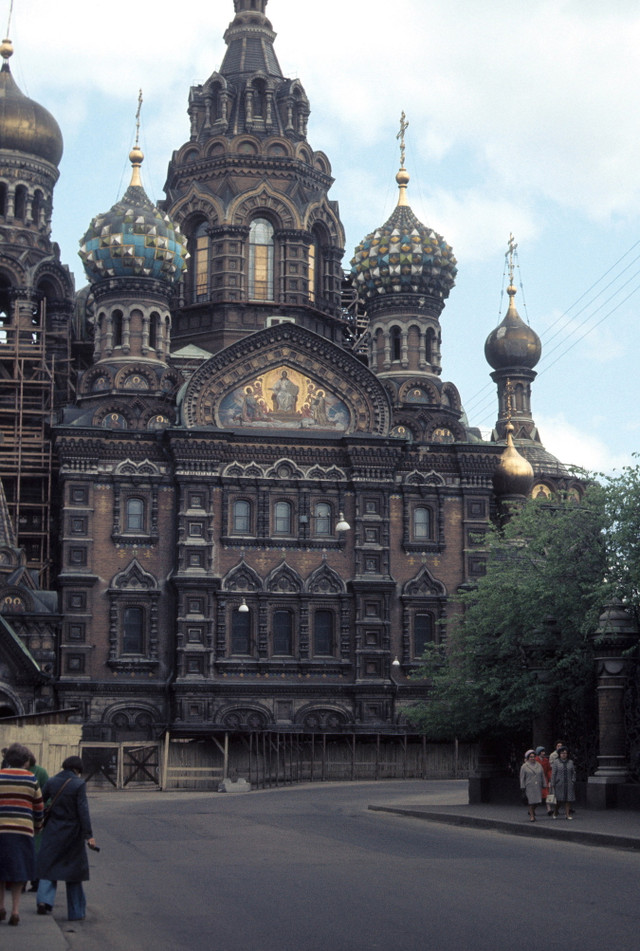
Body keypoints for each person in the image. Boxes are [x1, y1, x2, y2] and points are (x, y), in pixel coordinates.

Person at [36, 755, 98, 921]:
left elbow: (40, 802)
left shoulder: (52, 781)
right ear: (77, 769)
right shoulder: (79, 784)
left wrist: (39, 821)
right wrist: (89, 835)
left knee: (48, 866)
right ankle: (76, 911)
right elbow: (83, 811)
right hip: (72, 832)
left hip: (53, 829)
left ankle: (43, 901)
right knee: (73, 872)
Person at [0, 742, 44, 926]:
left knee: (1, 869)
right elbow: (39, 807)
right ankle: (15, 911)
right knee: (20, 871)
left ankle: (1, 906)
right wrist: (38, 826)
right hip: (23, 831)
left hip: (1, 830)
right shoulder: (31, 779)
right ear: (25, 761)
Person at [27, 752, 49, 891]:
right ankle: (19, 882)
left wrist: (44, 810)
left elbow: (47, 793)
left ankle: (36, 881)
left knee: (36, 851)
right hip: (22, 817)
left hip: (36, 815)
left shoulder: (40, 772)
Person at [519, 748, 547, 822]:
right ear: (528, 758)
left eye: (533, 757)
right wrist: (522, 787)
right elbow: (522, 778)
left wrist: (544, 784)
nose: (532, 758)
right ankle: (532, 816)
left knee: (538, 801)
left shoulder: (539, 765)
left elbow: (542, 775)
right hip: (529, 786)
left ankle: (531, 811)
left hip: (538, 786)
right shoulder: (524, 766)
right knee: (531, 802)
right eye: (531, 757)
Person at [550, 746, 576, 819]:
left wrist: (573, 780)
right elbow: (553, 773)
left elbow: (573, 772)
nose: (564, 755)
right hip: (559, 784)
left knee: (568, 800)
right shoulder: (556, 762)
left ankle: (567, 814)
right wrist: (553, 783)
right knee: (559, 800)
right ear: (559, 754)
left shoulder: (570, 762)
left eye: (565, 753)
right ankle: (555, 812)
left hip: (568, 784)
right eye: (562, 753)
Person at [534, 746, 553, 816]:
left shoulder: (546, 760)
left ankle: (549, 809)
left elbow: (549, 770)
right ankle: (532, 809)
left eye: (543, 752)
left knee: (547, 794)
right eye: (542, 752)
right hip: (537, 779)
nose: (543, 753)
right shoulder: (535, 760)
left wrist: (550, 778)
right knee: (537, 796)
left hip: (545, 779)